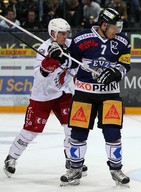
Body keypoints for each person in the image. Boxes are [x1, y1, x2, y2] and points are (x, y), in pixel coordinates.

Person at [3, 18, 87, 178]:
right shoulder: (44, 49)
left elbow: (78, 60)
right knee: (30, 131)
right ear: (53, 33)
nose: (65, 36)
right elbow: (38, 75)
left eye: (66, 33)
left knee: (71, 127)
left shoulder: (70, 44)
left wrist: (67, 58)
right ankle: (11, 157)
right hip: (43, 95)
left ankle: (71, 159)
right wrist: (50, 62)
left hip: (63, 92)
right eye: (62, 33)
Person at [59, 8, 131, 187]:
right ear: (104, 25)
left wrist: (116, 73)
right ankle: (75, 168)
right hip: (84, 94)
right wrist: (58, 56)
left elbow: (125, 65)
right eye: (114, 27)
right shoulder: (82, 39)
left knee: (113, 133)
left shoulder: (123, 42)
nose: (117, 31)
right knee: (78, 133)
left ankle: (116, 169)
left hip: (110, 95)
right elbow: (70, 62)